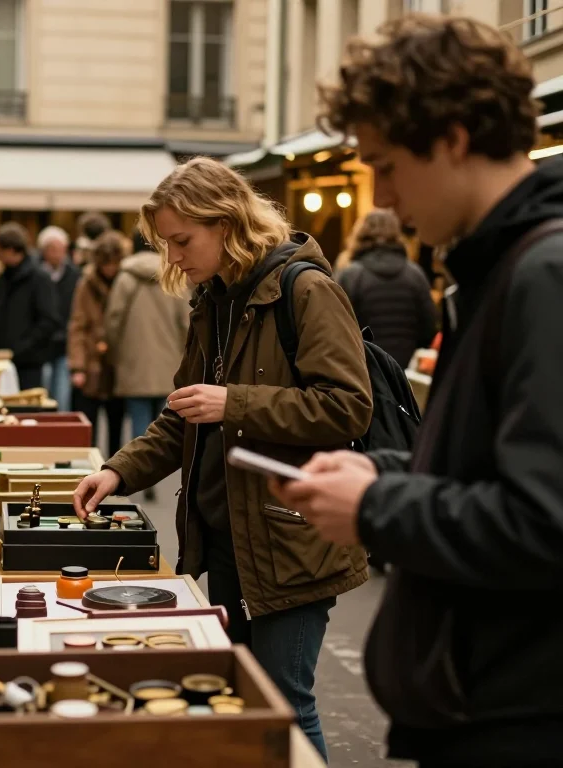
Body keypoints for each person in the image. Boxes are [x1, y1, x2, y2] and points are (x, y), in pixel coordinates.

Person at [270, 15, 563, 768]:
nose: (382, 194)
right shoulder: (502, 266)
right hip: (488, 708)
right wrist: (381, 471)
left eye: (387, 164)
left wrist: (376, 505)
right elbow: (492, 474)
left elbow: (546, 522)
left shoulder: (543, 273)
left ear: (454, 138)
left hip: (517, 720)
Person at [72, 157, 372, 759]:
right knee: (247, 702)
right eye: (165, 243)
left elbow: (347, 407)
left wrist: (234, 402)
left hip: (290, 543)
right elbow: (184, 413)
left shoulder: (306, 289)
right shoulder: (212, 298)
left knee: (285, 706)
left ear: (226, 222)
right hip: (230, 535)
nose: (173, 256)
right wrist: (118, 470)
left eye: (182, 240)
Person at [103, 229, 189, 496]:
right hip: (168, 359)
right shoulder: (173, 274)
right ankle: (153, 475)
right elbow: (186, 321)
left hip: (134, 359)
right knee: (164, 417)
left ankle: (140, 473)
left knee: (139, 416)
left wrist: (116, 353)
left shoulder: (125, 277)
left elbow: (113, 320)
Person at [0, 223, 60, 390]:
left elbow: (49, 321)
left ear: (11, 250)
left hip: (28, 365)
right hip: (3, 360)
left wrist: (21, 348)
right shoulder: (4, 278)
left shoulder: (39, 279)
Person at [335, 209, 437, 368]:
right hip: (404, 370)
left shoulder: (351, 275)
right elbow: (429, 327)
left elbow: (337, 329)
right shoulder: (415, 274)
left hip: (364, 369)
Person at [67, 231, 128, 458]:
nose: (110, 268)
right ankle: (88, 469)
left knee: (117, 426)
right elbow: (78, 325)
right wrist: (78, 366)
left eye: (114, 263)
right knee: (88, 427)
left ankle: (116, 469)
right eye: (106, 263)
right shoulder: (86, 284)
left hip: (117, 363)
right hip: (91, 362)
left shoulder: (125, 282)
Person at [38, 225, 80, 410]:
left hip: (64, 343)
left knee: (62, 395)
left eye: (60, 249)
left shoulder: (74, 275)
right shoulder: (37, 274)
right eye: (52, 249)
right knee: (43, 393)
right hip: (42, 342)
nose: (56, 254)